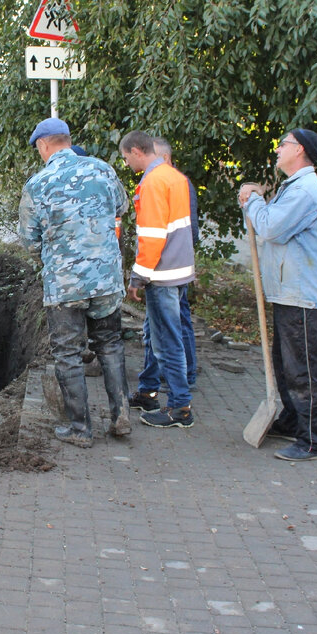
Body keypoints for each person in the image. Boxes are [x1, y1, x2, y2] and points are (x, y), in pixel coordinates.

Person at [19, 117, 130, 447]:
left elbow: (28, 240)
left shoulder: (38, 185)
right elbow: (122, 207)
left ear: (43, 145)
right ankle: (120, 413)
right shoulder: (102, 169)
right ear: (68, 139)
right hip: (106, 280)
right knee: (109, 344)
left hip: (65, 285)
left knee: (67, 354)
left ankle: (80, 429)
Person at [239, 129, 317, 461]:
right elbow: (266, 224)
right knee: (285, 365)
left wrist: (253, 200)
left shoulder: (305, 192)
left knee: (304, 370)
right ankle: (293, 421)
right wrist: (252, 203)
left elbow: (270, 227)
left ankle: (312, 439)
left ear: (300, 151)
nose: (278, 149)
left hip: (303, 295)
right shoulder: (293, 188)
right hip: (288, 292)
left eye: (283, 145)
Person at [119, 130, 196, 428]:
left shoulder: (152, 182)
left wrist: (138, 278)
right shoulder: (175, 177)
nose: (126, 163)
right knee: (161, 336)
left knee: (167, 342)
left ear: (137, 151)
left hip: (161, 275)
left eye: (126, 157)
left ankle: (180, 408)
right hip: (177, 271)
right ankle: (154, 395)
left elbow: (151, 236)